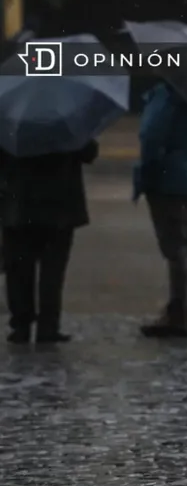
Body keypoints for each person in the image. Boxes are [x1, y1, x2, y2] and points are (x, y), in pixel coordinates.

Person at [135, 82, 187, 337]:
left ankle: (177, 313)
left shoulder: (168, 97)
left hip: (171, 183)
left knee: (176, 249)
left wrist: (145, 175)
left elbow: (150, 136)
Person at [0, 141, 99, 343]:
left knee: (19, 270)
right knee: (52, 272)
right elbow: (89, 153)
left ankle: (21, 325)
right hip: (59, 208)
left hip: (19, 206)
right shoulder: (66, 129)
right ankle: (48, 325)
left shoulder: (10, 128)